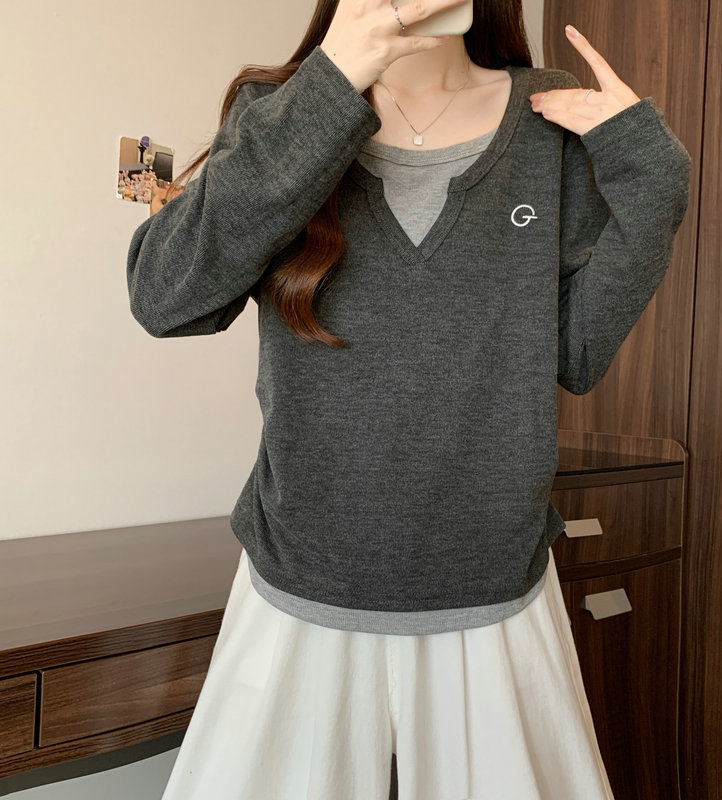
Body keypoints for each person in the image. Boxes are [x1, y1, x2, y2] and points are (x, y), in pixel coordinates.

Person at [126, 1, 691, 798]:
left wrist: (655, 185)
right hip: (300, 588)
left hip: (493, 593)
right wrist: (330, 87)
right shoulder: (279, 109)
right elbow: (163, 298)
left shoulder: (547, 117)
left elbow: (575, 355)